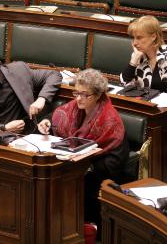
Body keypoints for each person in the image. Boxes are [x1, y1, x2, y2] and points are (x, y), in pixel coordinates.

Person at [38, 68, 129, 227]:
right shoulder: (74, 107)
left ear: (98, 95)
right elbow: (56, 117)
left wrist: (86, 166)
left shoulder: (110, 121)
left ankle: (80, 227)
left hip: (97, 171)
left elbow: (115, 162)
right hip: (72, 162)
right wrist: (47, 122)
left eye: (84, 95)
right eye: (76, 93)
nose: (78, 99)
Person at [0, 46, 62, 133]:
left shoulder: (19, 71)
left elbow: (54, 75)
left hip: (27, 135)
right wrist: (4, 128)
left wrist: (42, 98)